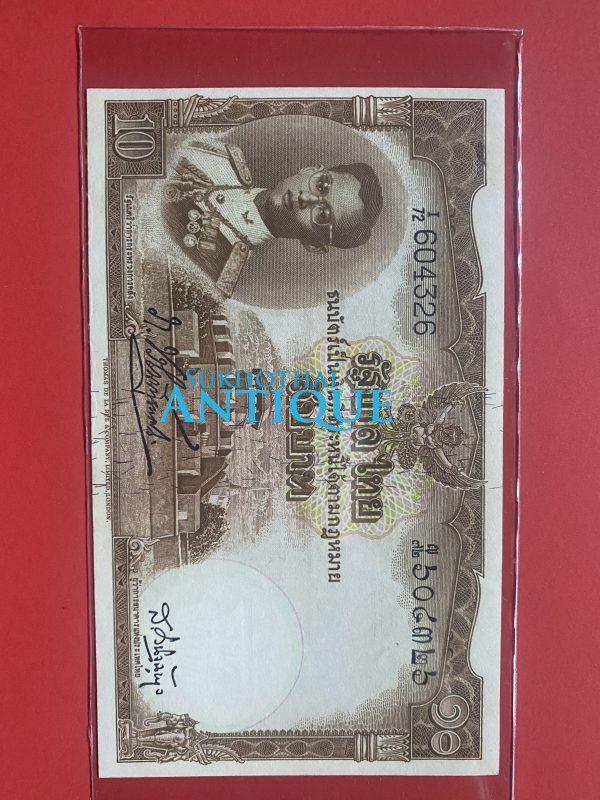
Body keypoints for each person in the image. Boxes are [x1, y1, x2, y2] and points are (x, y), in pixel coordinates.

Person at [162, 138, 383, 297]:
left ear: (313, 245)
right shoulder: (219, 155)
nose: (305, 198)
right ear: (309, 169)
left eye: (322, 214)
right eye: (321, 185)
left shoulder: (216, 275)